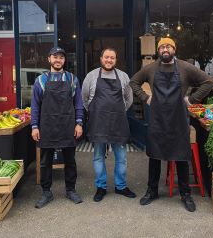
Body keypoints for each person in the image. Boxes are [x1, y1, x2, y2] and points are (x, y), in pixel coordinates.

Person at [130, 38, 213, 212]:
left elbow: (208, 82)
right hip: (157, 119)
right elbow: (134, 82)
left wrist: (190, 99)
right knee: (154, 155)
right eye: (162, 47)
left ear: (174, 49)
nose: (165, 49)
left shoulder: (184, 67)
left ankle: (185, 194)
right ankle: (151, 191)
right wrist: (146, 97)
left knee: (181, 156)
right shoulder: (151, 68)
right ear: (158, 51)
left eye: (168, 46)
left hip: (178, 119)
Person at [31, 46, 84, 208]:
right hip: (46, 126)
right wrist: (34, 126)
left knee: (70, 160)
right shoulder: (41, 80)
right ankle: (46, 192)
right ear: (49, 59)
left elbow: (78, 103)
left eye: (61, 57)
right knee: (45, 162)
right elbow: (35, 106)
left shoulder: (72, 79)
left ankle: (70, 190)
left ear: (64, 60)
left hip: (68, 125)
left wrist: (79, 123)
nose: (58, 60)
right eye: (55, 57)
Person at [82, 47, 136, 202]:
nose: (109, 60)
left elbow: (129, 99)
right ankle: (101, 186)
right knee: (98, 156)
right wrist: (95, 112)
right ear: (101, 59)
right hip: (98, 122)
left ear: (116, 60)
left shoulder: (123, 76)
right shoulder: (91, 76)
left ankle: (121, 186)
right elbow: (85, 99)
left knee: (122, 157)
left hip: (118, 122)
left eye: (112, 57)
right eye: (106, 57)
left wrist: (118, 112)